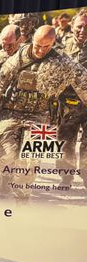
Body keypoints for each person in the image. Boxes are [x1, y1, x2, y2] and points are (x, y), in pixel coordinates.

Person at [0, 25, 87, 198]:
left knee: (31, 159)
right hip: (11, 112)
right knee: (5, 153)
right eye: (37, 45)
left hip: (41, 116)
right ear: (32, 40)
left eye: (46, 47)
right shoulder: (20, 56)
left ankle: (23, 194)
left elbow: (83, 83)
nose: (40, 50)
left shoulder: (62, 62)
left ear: (53, 43)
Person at [59, 10, 87, 187]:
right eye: (79, 26)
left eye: (86, 27)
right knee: (65, 142)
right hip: (68, 104)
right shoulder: (62, 46)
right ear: (72, 26)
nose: (82, 30)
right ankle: (66, 177)